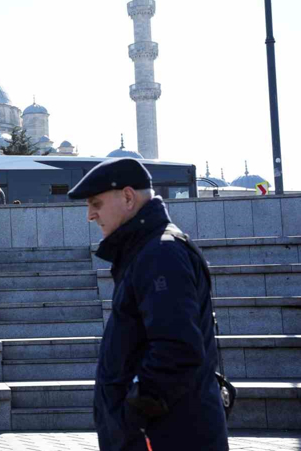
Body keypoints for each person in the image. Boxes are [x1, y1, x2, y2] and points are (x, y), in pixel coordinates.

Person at [67, 158, 228, 451]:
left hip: (164, 436)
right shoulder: (149, 250)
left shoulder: (160, 254)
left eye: (96, 204)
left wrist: (132, 416)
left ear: (128, 197)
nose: (90, 215)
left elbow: (177, 349)